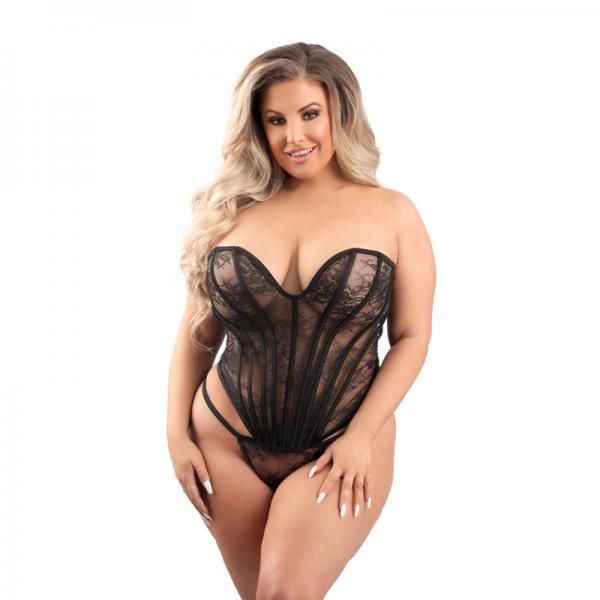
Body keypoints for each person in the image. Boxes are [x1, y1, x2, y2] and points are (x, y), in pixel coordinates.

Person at [167, 41, 436, 599]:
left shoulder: (393, 213)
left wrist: (362, 435)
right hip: (225, 440)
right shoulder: (231, 213)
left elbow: (412, 336)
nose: (294, 136)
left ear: (340, 111)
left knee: (284, 592)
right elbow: (198, 336)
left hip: (343, 440)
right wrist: (175, 435)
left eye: (309, 114)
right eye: (276, 120)